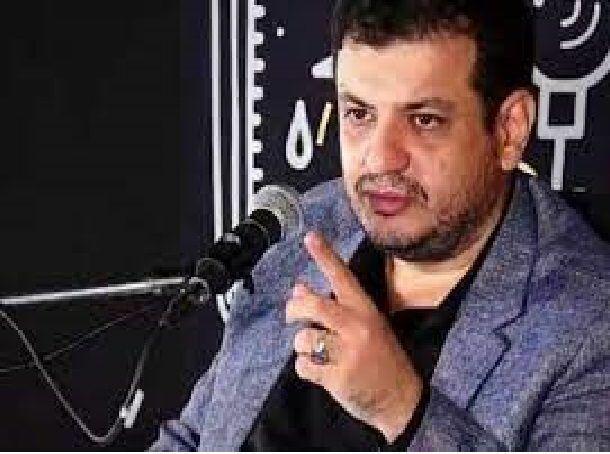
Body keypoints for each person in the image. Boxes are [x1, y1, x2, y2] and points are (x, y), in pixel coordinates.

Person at [153, 0, 610, 450]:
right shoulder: (303, 227)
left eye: (424, 120)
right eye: (359, 114)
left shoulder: (588, 324)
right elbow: (194, 437)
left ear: (509, 129)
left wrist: (400, 408)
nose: (380, 158)